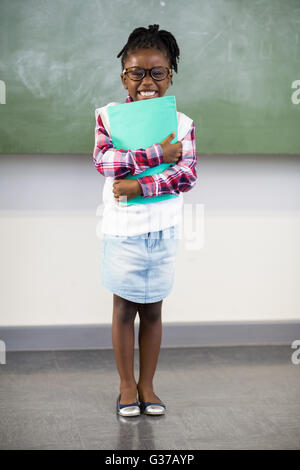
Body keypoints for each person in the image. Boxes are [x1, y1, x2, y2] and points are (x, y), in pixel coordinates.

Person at [92, 24, 197, 416]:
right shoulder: (109, 117)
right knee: (123, 308)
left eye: (158, 72)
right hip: (123, 232)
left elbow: (186, 175)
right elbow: (107, 162)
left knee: (153, 309)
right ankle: (125, 385)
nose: (147, 81)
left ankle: (147, 385)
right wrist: (158, 153)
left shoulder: (183, 123)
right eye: (137, 72)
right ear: (124, 75)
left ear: (170, 74)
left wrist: (140, 188)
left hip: (163, 229)